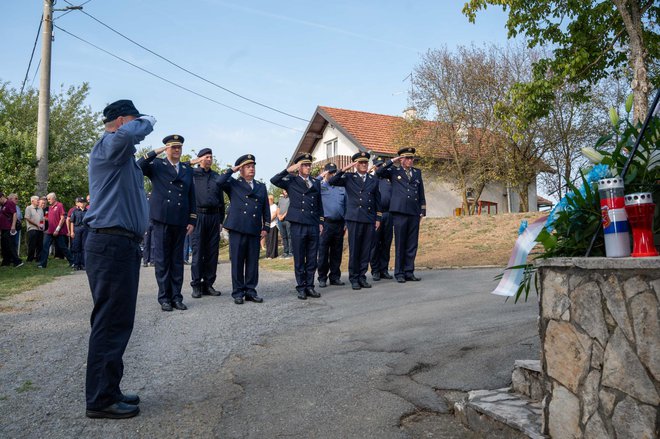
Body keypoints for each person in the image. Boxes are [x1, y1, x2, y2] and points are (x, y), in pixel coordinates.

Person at [83, 99, 156, 419]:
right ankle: (100, 399)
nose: (140, 126)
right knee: (110, 323)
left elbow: (135, 152)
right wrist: (145, 120)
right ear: (122, 121)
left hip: (120, 245)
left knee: (118, 323)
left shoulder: (122, 156)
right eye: (133, 121)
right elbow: (130, 134)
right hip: (110, 243)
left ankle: (109, 389)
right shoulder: (109, 145)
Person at [137, 134, 196, 312]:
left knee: (177, 260)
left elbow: (191, 195)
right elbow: (139, 165)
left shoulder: (186, 169)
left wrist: (192, 219)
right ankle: (164, 297)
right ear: (166, 148)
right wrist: (156, 152)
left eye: (179, 147)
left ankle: (177, 297)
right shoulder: (157, 165)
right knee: (162, 260)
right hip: (162, 218)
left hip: (180, 219)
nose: (177, 150)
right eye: (173, 147)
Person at [270, 153, 324, 300]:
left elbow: (319, 203)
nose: (307, 167)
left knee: (312, 257)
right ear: (299, 167)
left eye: (309, 165)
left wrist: (321, 222)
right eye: (304, 165)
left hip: (312, 223)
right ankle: (301, 287)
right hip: (298, 223)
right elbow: (274, 180)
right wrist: (288, 170)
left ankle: (310, 286)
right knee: (300, 257)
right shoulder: (291, 180)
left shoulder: (315, 182)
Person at [217, 154, 269, 304]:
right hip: (238, 228)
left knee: (253, 262)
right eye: (247, 166)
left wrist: (266, 226)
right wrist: (231, 170)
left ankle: (251, 291)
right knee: (238, 262)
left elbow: (265, 208)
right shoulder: (233, 183)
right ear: (240, 169)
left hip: (254, 228)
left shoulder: (260, 186)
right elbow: (219, 182)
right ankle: (238, 292)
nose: (251, 168)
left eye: (253, 166)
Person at [328, 152, 381, 290]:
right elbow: (331, 182)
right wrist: (343, 169)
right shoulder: (349, 177)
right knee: (355, 249)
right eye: (360, 162)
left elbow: (377, 200)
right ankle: (354, 278)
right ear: (356, 164)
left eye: (365, 162)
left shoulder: (373, 179)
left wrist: (378, 218)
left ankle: (362, 276)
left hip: (369, 218)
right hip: (354, 218)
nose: (363, 164)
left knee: (366, 250)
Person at [375, 147, 426, 283]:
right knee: (400, 243)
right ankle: (399, 273)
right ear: (401, 159)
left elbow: (421, 191)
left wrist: (422, 210)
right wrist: (392, 161)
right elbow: (379, 172)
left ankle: (409, 271)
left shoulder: (417, 172)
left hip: (414, 212)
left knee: (412, 244)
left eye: (411, 158)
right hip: (399, 212)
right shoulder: (394, 171)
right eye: (407, 158)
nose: (410, 160)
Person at [188, 148, 225, 298]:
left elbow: (221, 200)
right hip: (198, 216)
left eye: (211, 157)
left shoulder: (216, 176)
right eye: (206, 157)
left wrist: (221, 220)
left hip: (214, 217)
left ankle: (208, 284)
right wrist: (192, 162)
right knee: (198, 252)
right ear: (199, 159)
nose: (209, 159)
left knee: (212, 253)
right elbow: (181, 166)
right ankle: (196, 285)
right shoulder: (192, 174)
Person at [315, 162, 347, 288]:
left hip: (339, 224)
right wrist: (319, 222)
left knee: (336, 252)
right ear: (325, 173)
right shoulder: (320, 187)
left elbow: (345, 205)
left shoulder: (341, 188)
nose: (333, 174)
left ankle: (335, 277)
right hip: (325, 224)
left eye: (334, 172)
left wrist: (345, 223)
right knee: (323, 252)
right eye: (330, 172)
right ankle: (322, 277)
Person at [370, 157, 394, 281]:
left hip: (389, 215)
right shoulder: (371, 179)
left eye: (382, 165)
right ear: (374, 167)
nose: (380, 168)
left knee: (386, 243)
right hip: (376, 216)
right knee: (375, 244)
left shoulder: (388, 179)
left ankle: (384, 269)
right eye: (378, 166)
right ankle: (375, 270)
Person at [37, 193, 73, 268]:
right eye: (47, 199)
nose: (48, 200)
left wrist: (57, 229)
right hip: (50, 231)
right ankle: (42, 264)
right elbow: (46, 218)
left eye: (49, 199)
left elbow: (62, 218)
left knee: (63, 247)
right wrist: (43, 224)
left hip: (58, 231)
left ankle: (72, 262)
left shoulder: (59, 205)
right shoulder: (49, 208)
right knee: (45, 246)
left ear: (54, 198)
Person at [0, 191, 23, 267]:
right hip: (3, 228)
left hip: (8, 228)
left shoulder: (10, 203)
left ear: (2, 197)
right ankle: (6, 262)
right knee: (4, 245)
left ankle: (17, 261)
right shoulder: (3, 205)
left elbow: (15, 214)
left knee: (10, 245)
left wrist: (13, 226)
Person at [68, 197, 88, 270]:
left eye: (83, 202)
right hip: (77, 229)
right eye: (80, 202)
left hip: (85, 230)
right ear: (78, 203)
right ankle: (76, 264)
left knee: (84, 247)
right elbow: (72, 222)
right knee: (76, 247)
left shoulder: (88, 211)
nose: (82, 203)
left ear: (86, 203)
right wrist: (72, 231)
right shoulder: (75, 211)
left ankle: (83, 264)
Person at [24, 195, 44, 262]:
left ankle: (39, 259)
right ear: (32, 201)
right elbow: (27, 218)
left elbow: (42, 218)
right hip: (32, 229)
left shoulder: (40, 209)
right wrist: (36, 225)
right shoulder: (28, 208)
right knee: (32, 244)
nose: (38, 201)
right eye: (37, 200)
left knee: (40, 245)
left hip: (40, 229)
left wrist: (42, 226)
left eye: (39, 200)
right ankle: (30, 259)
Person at [277, 190, 292, 258]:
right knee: (284, 236)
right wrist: (278, 215)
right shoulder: (280, 199)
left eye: (286, 190)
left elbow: (289, 209)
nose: (285, 192)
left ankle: (291, 252)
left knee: (289, 236)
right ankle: (285, 252)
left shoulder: (291, 199)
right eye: (284, 190)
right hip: (280, 220)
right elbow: (278, 208)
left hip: (287, 220)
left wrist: (283, 216)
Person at [265, 194, 279, 258]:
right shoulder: (267, 207)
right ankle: (268, 254)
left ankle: (272, 255)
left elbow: (274, 215)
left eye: (268, 200)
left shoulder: (274, 206)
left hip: (273, 225)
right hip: (267, 226)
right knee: (267, 240)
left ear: (271, 200)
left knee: (272, 240)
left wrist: (267, 222)